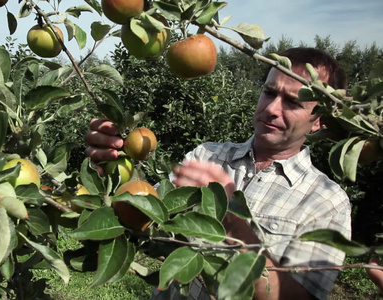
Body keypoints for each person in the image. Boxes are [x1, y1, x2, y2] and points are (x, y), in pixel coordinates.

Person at [85, 47, 351, 300]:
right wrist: (112, 169)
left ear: (319, 121)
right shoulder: (207, 156)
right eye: (269, 93)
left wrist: (231, 220)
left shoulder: (325, 202)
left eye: (292, 102)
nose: (271, 109)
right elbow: (146, 215)